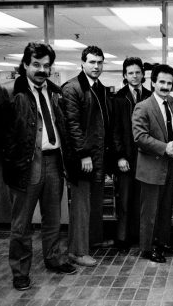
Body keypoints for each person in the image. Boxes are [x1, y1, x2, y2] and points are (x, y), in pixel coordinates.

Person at [0, 42, 76, 291]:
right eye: (36, 64)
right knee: (22, 224)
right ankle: (20, 271)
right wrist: (13, 153)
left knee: (53, 219)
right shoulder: (7, 91)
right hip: (26, 164)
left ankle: (54, 259)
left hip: (53, 161)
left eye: (46, 65)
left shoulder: (56, 91)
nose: (41, 70)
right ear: (25, 64)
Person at [62, 45, 113, 267]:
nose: (96, 66)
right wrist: (83, 154)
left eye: (100, 62)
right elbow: (72, 125)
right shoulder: (72, 88)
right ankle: (77, 251)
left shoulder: (99, 88)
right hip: (82, 159)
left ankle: (93, 240)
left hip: (98, 157)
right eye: (92, 62)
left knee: (94, 203)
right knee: (81, 205)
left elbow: (102, 124)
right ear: (82, 63)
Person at [132, 64, 173, 263]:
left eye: (169, 83)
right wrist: (164, 147)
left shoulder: (172, 103)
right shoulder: (143, 106)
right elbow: (139, 137)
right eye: (162, 82)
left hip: (169, 167)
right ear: (152, 82)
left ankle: (162, 242)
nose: (165, 86)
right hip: (151, 168)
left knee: (165, 209)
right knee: (150, 211)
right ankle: (147, 248)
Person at [112, 57, 152, 250]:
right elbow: (115, 130)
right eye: (130, 73)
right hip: (126, 158)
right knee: (125, 200)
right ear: (125, 75)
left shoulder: (151, 97)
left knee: (143, 199)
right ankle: (122, 238)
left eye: (138, 72)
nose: (134, 76)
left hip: (147, 157)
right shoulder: (118, 99)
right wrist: (119, 156)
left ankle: (140, 235)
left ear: (143, 74)